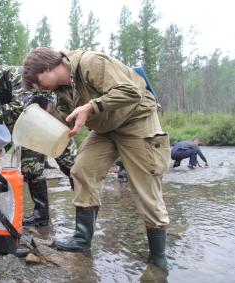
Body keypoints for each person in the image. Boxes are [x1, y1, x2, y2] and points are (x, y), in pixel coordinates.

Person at [22, 47, 171, 273]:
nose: (39, 87)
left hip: (136, 120)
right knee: (81, 169)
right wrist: (43, 117)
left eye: (37, 81)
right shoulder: (62, 89)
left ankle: (158, 259)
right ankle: (82, 239)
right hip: (104, 128)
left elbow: (131, 91)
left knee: (144, 186)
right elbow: (65, 118)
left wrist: (91, 106)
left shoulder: (91, 63)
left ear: (47, 68)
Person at [0, 62, 77, 227]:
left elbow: (21, 107)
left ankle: (87, 208)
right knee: (30, 170)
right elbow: (4, 124)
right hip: (29, 128)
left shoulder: (14, 75)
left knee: (72, 167)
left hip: (50, 122)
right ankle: (41, 215)